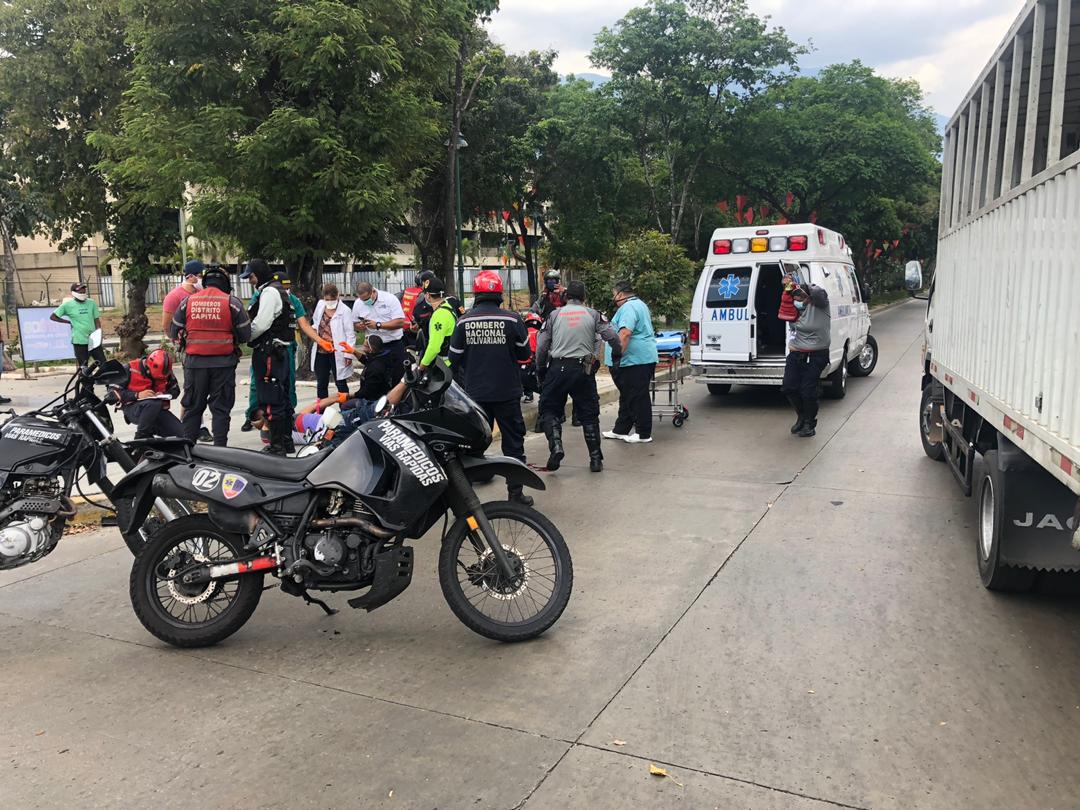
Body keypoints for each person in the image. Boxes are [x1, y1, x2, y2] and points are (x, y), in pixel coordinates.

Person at [448, 270, 534, 506]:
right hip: (507, 393)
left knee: (472, 445)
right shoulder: (513, 320)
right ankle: (515, 494)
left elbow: (453, 359)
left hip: (475, 396)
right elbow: (525, 355)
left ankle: (467, 501)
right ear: (499, 294)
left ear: (476, 294)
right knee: (513, 444)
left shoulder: (463, 321)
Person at [536, 281, 622, 473]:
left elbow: (541, 345)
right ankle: (595, 459)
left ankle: (556, 446)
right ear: (584, 298)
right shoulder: (593, 314)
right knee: (589, 414)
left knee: (549, 409)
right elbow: (612, 337)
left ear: (566, 298)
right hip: (583, 369)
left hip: (557, 368)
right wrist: (617, 352)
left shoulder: (554, 315)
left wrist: (541, 369)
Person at [169, 265, 251, 447]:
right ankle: (220, 449)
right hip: (223, 365)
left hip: (194, 364)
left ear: (205, 283)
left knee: (192, 408)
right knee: (221, 409)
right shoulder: (232, 303)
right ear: (225, 284)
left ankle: (188, 450)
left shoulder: (188, 302)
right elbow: (246, 335)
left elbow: (174, 330)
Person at [239, 270, 312, 431]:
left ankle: (285, 422)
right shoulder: (261, 296)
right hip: (266, 348)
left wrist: (321, 340)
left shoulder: (292, 300)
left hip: (284, 348)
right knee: (258, 386)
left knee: (286, 385)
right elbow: (253, 319)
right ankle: (254, 415)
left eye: (287, 287)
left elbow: (304, 324)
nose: (284, 290)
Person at [246, 259, 297, 455]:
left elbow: (261, 324)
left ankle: (277, 447)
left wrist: (245, 336)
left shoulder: (269, 292)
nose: (250, 281)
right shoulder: (281, 291)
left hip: (269, 353)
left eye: (251, 276)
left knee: (270, 400)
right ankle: (286, 442)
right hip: (280, 353)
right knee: (282, 398)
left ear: (258, 274)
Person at [603, 280, 659, 444]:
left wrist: (617, 355)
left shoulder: (628, 307)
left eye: (614, 295)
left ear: (620, 294)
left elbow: (626, 333)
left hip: (634, 360)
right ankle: (621, 429)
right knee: (628, 395)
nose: (614, 298)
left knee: (637, 395)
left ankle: (643, 433)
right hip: (638, 359)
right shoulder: (639, 304)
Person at [781, 278, 831, 438]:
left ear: (808, 297)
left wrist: (801, 285)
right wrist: (788, 289)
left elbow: (819, 293)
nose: (797, 300)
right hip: (796, 352)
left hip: (816, 355)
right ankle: (801, 416)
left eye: (800, 297)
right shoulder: (793, 310)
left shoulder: (820, 306)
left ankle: (810, 423)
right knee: (789, 387)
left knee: (808, 390)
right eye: (794, 297)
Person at [115, 348, 184, 440]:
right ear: (148, 367)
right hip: (133, 408)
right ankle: (141, 436)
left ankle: (155, 436)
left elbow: (176, 391)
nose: (159, 379)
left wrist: (164, 393)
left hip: (158, 410)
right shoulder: (129, 369)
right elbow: (114, 393)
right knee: (153, 403)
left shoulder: (166, 371)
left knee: (183, 435)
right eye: (156, 377)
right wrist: (137, 395)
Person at [353, 281, 406, 384]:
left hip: (392, 344)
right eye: (363, 300)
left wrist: (378, 325)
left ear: (373, 291)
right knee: (375, 378)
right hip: (373, 347)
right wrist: (360, 326)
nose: (365, 302)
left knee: (397, 377)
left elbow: (400, 322)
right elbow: (355, 324)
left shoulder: (389, 299)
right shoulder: (358, 303)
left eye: (367, 299)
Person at [309, 284, 354, 398]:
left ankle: (346, 411)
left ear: (338, 296)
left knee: (340, 383)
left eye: (332, 299)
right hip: (321, 350)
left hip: (337, 352)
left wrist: (348, 354)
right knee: (322, 384)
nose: (329, 302)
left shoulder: (345, 311)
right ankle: (321, 413)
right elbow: (315, 322)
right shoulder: (320, 305)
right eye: (327, 299)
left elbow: (350, 334)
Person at [51, 282, 104, 367]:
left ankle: (105, 379)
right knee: (83, 367)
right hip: (79, 341)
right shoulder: (67, 305)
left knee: (102, 364)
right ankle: (85, 380)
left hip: (93, 340)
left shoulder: (91, 303)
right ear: (74, 293)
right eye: (80, 291)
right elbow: (53, 316)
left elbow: (97, 320)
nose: (83, 293)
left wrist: (99, 334)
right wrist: (68, 322)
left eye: (84, 291)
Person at [411, 270, 465, 349]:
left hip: (452, 347)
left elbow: (463, 319)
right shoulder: (419, 307)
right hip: (429, 348)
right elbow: (416, 328)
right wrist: (414, 328)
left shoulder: (453, 301)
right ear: (422, 285)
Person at [417, 277, 458, 371]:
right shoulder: (447, 306)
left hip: (445, 367)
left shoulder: (439, 314)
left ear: (427, 295)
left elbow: (434, 347)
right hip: (452, 364)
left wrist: (421, 367)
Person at [162, 260, 204, 335]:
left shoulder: (201, 293)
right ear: (190, 276)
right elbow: (166, 326)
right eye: (200, 276)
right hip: (184, 342)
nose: (203, 279)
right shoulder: (173, 296)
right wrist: (176, 341)